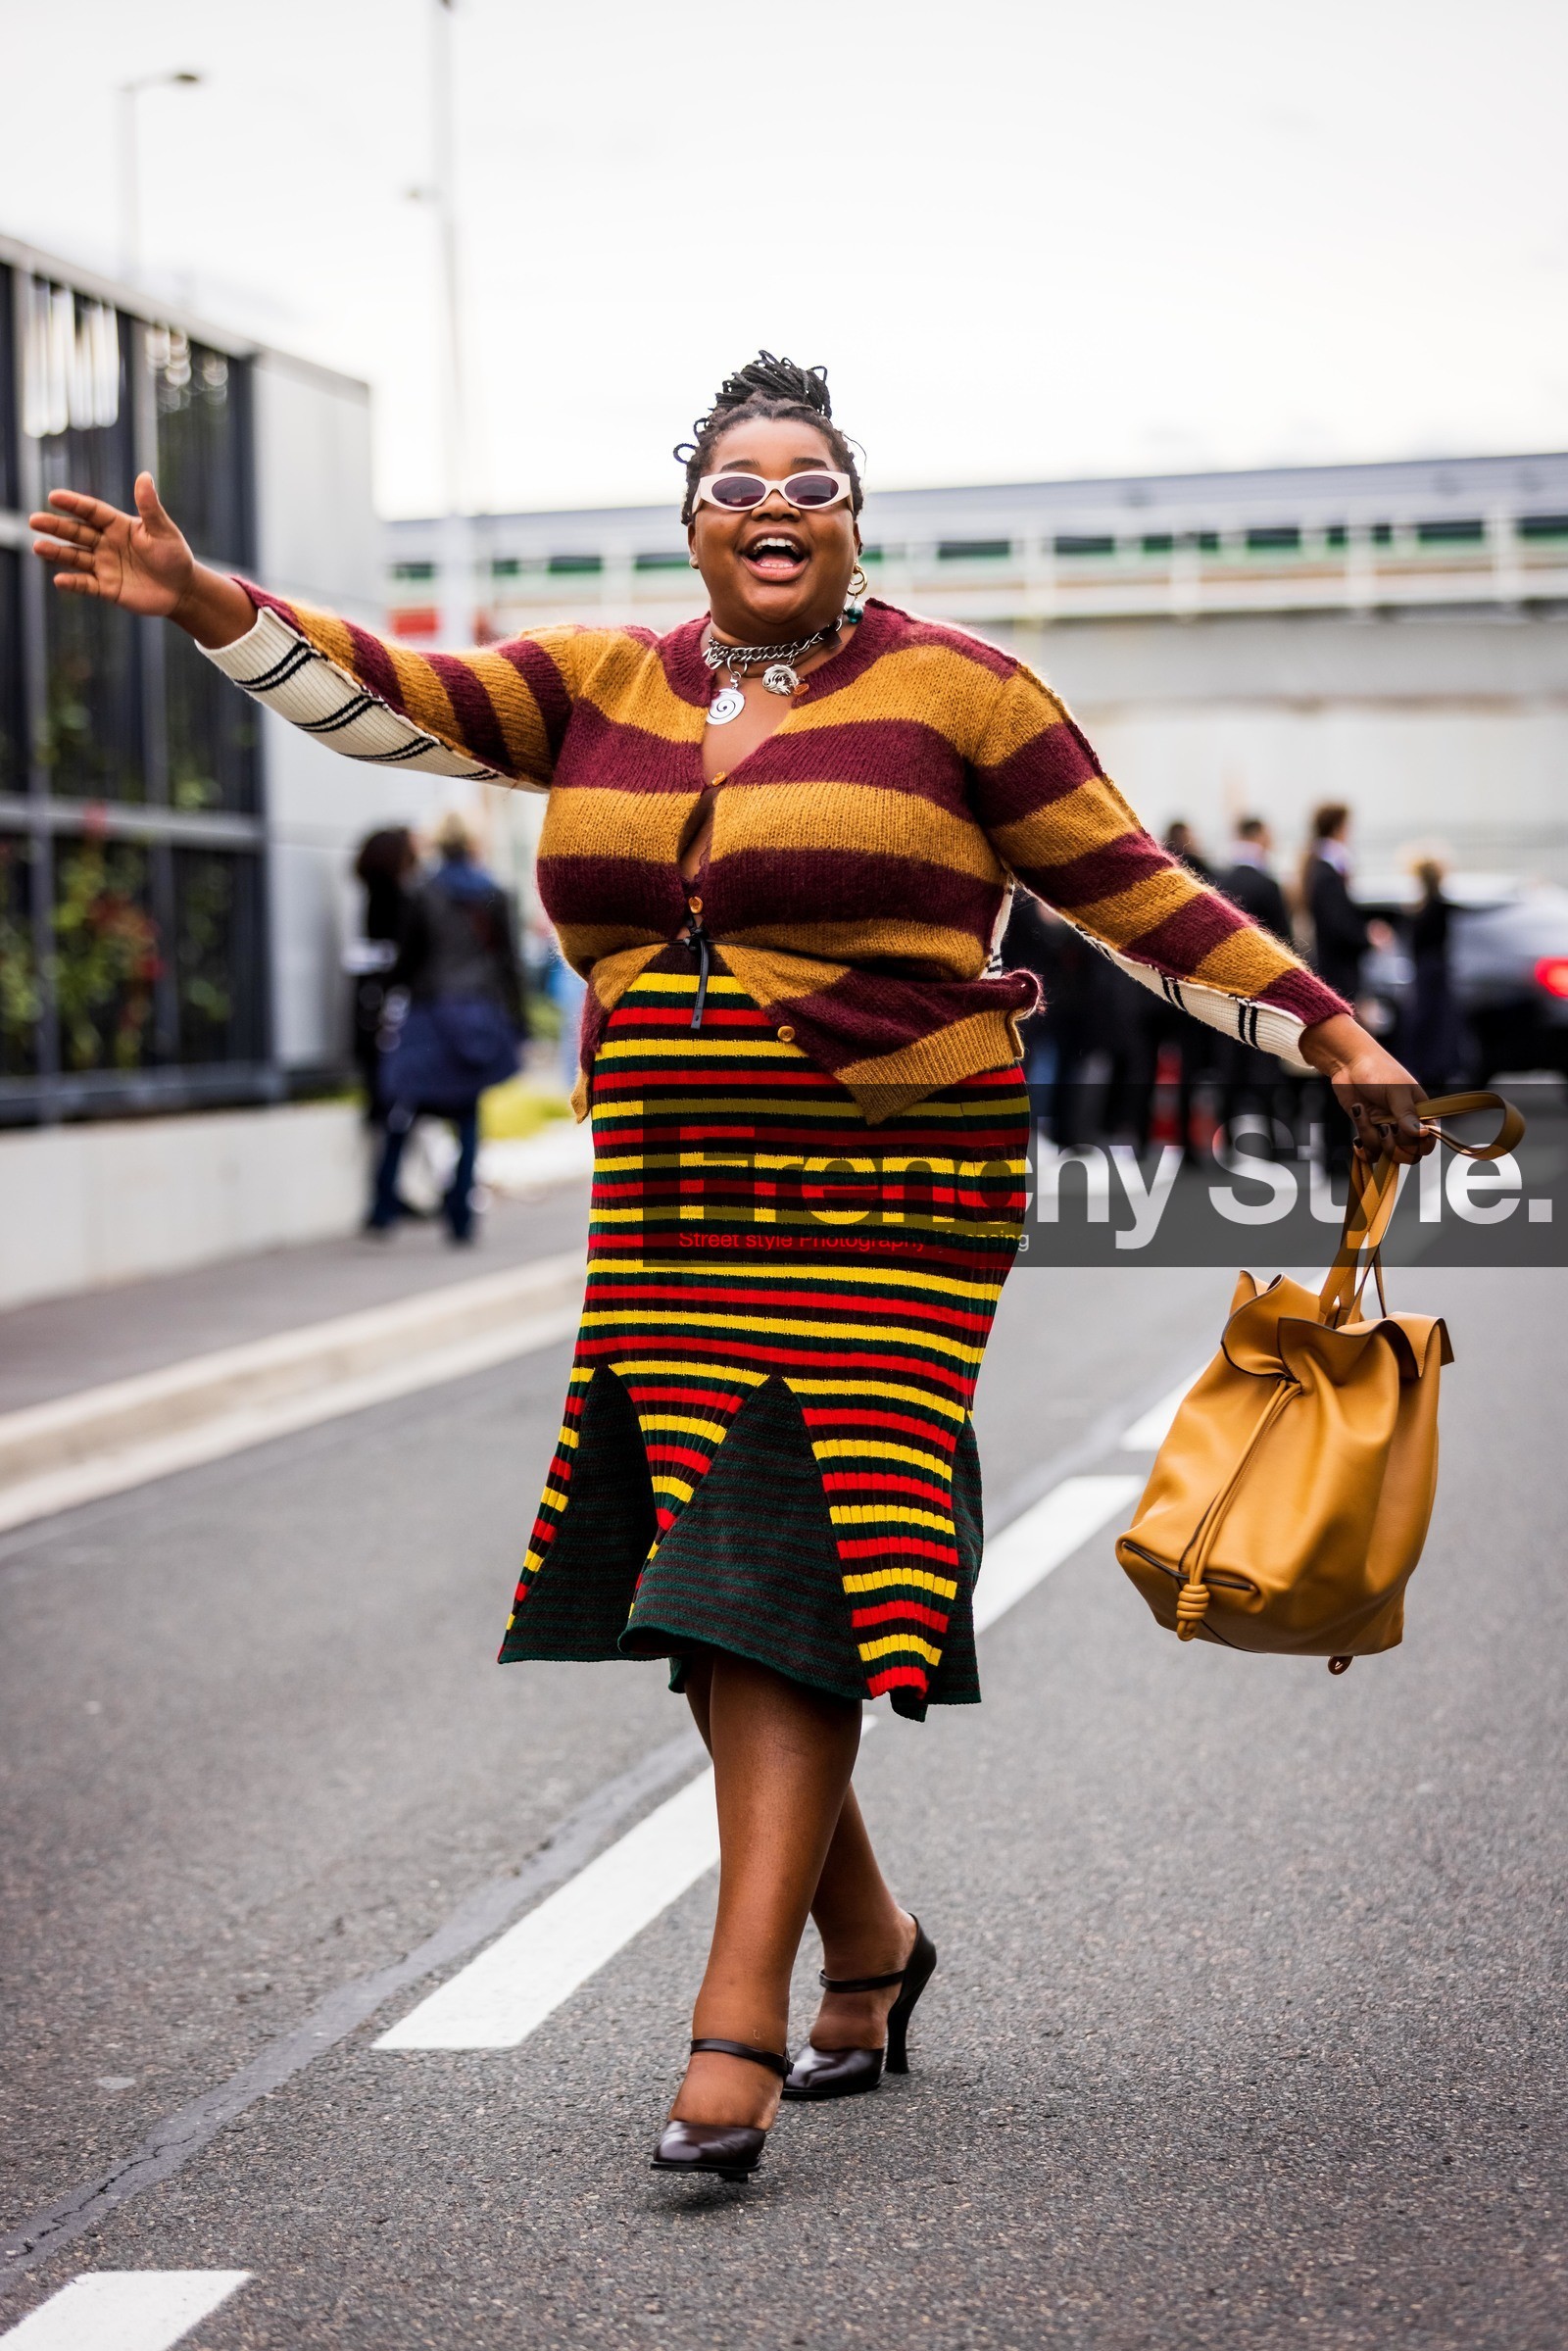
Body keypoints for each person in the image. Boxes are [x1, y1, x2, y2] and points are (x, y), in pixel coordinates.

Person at [30, 350, 1435, 2184]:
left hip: (894, 1181)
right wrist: (212, 601)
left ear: (856, 520)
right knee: (708, 1588)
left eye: (811, 483)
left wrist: (1329, 1030)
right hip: (670, 1194)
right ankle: (874, 1943)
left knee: (790, 1533)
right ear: (690, 520)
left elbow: (1128, 889)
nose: (775, 506)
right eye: (738, 484)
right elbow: (399, 696)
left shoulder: (963, 689)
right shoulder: (598, 682)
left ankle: (733, 2017)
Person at [368, 813, 527, 1244]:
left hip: (429, 1015)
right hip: (478, 1015)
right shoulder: (495, 893)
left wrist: (382, 996)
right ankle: (461, 1216)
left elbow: (406, 958)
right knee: (468, 1114)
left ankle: (382, 1207)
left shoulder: (422, 892)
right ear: (472, 846)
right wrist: (519, 1024)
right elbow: (509, 964)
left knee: (404, 1106)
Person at [1405, 856, 1461, 1090]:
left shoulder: (1427, 907)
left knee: (1428, 1022)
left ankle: (1429, 1070)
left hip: (1428, 974)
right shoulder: (1435, 906)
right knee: (1437, 1024)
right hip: (1434, 973)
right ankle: (1435, 1070)